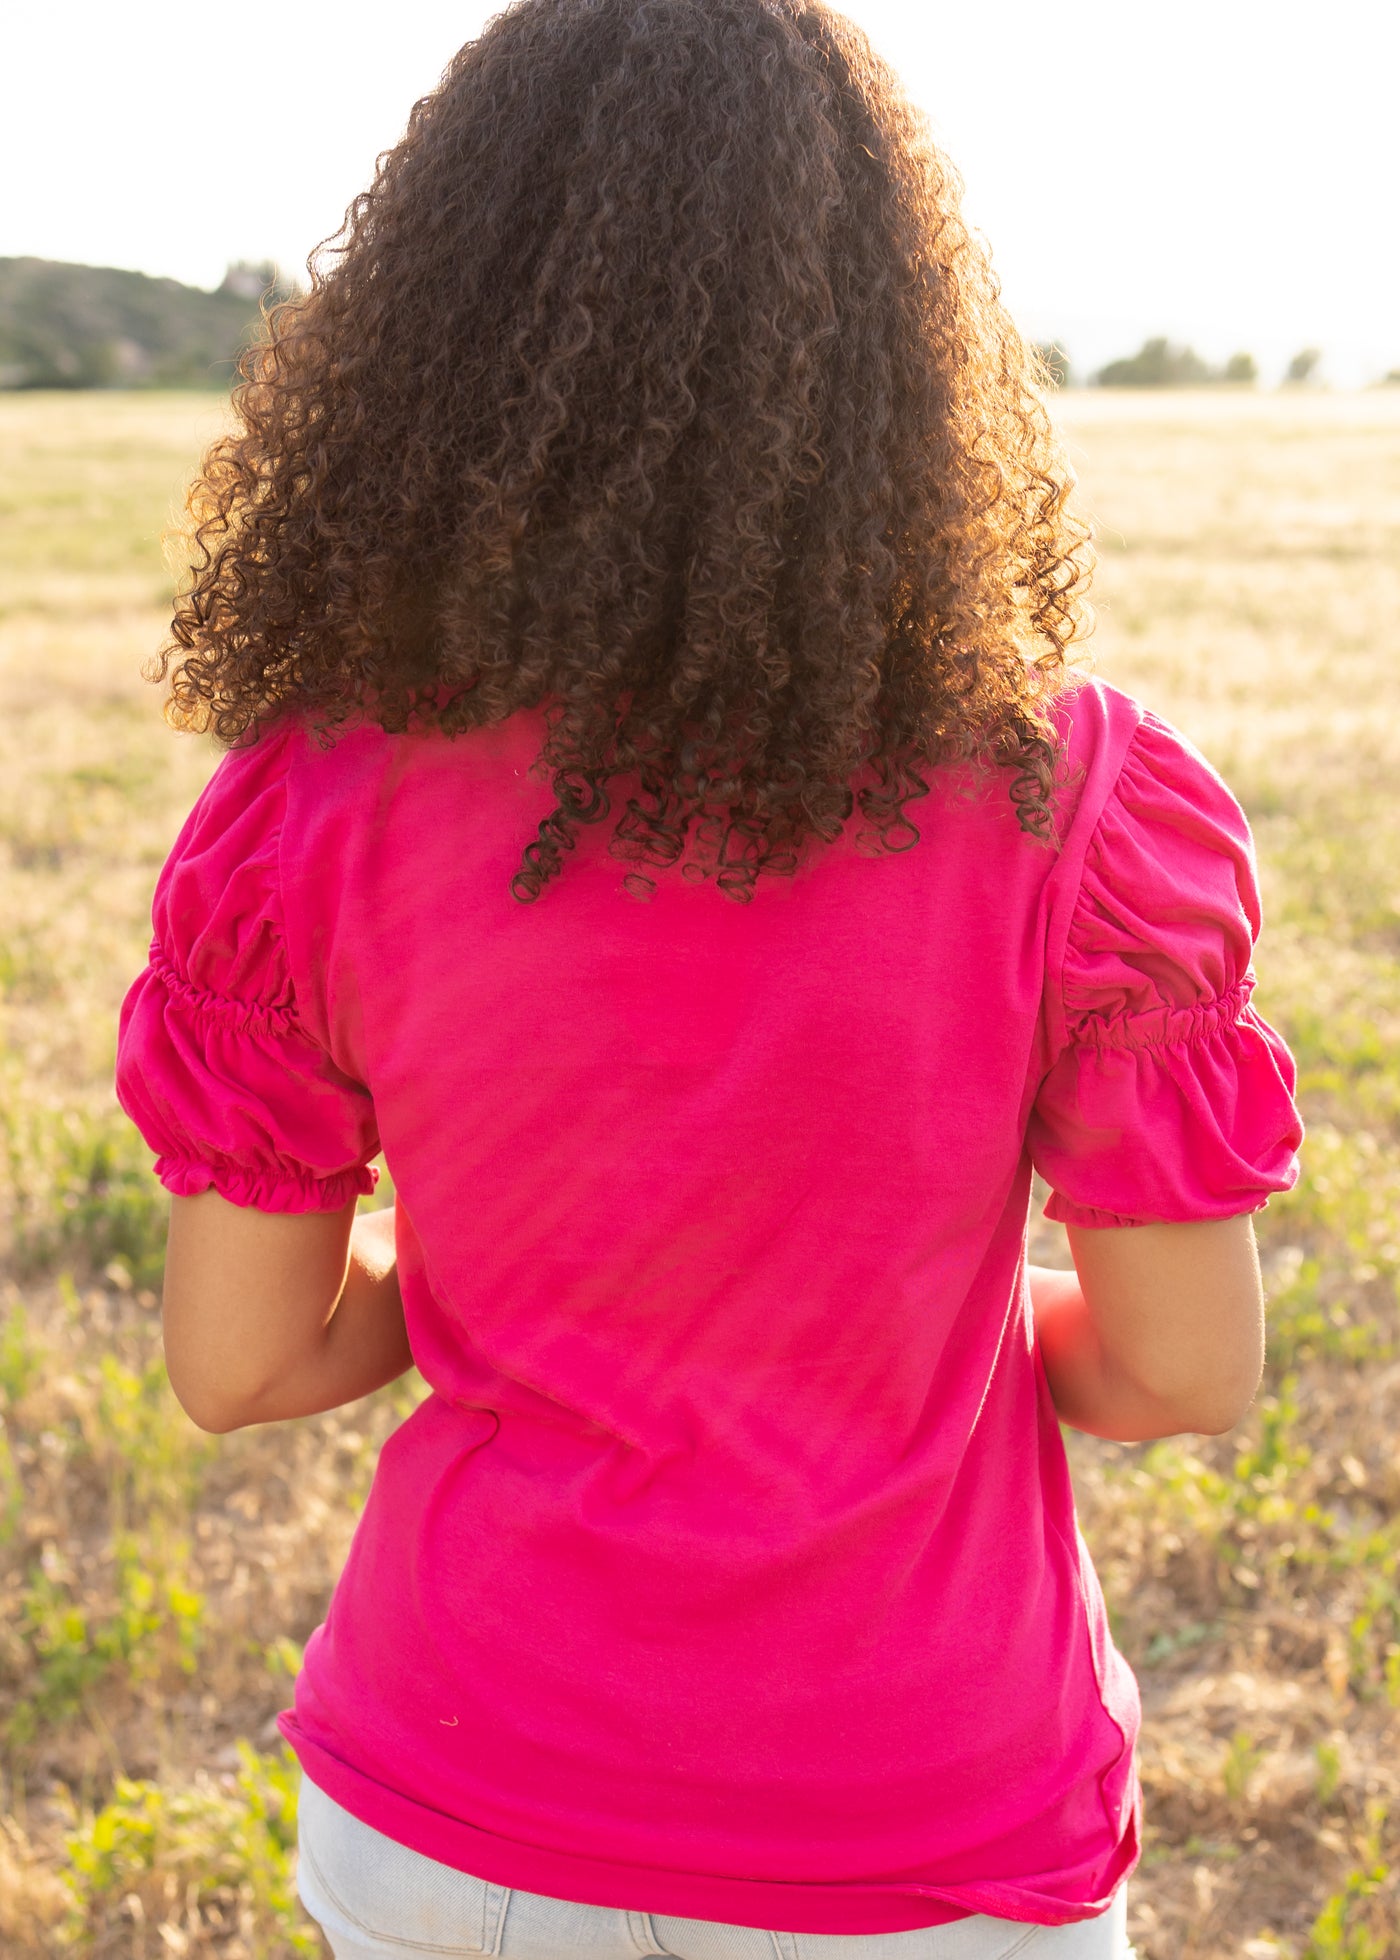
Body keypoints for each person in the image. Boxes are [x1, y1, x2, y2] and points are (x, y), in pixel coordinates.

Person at [114, 2, 1304, 1955]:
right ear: (895, 347)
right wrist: (913, 1309)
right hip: (916, 1830)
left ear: (431, 343)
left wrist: (489, 1278)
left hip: (452, 1811)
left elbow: (241, 1359)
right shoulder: (1070, 799)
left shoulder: (308, 807)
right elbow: (1183, 1367)